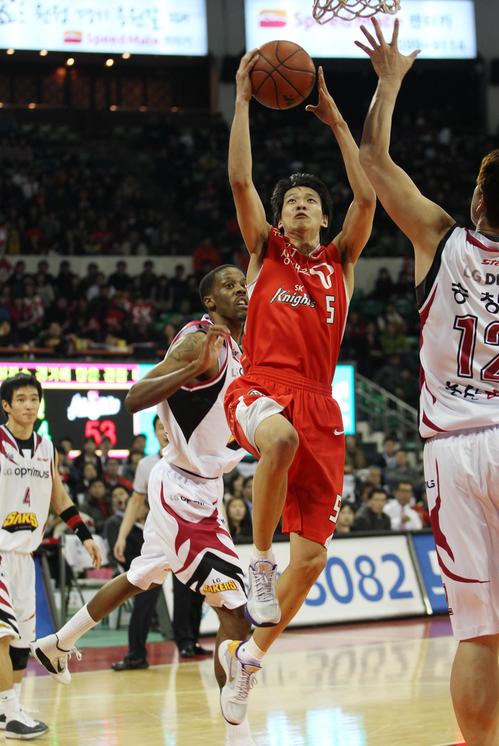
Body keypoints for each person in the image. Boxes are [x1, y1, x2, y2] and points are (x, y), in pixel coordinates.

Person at [31, 266, 260, 746]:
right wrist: (192, 371)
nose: (241, 290)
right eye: (229, 286)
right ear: (210, 302)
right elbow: (134, 397)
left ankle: (58, 643)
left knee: (140, 577)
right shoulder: (200, 341)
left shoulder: (242, 345)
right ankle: (238, 737)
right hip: (181, 491)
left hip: (204, 489)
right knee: (237, 613)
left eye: (244, 283)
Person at [220, 49, 376, 723]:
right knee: (276, 440)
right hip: (259, 388)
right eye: (293, 201)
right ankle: (257, 562)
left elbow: (367, 194)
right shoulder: (265, 250)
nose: (302, 206)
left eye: (311, 200)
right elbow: (239, 181)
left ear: (322, 215)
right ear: (280, 220)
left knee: (310, 562)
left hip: (320, 403)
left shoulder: (340, 258)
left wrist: (338, 123)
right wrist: (243, 101)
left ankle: (248, 662)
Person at [357, 18, 499, 746]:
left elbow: (373, 158)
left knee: (477, 632)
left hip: (454, 451)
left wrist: (387, 82)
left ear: (478, 202)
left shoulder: (438, 237)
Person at [0, 373, 101, 740]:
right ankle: (11, 713)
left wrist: (84, 534)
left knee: (21, 644)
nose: (28, 405)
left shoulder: (46, 447)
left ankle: (6, 707)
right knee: (1, 634)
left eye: (33, 399)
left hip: (25, 556)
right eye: (21, 399)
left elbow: (58, 496)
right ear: (6, 405)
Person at [111, 414, 211, 669]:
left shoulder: (193, 458)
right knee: (144, 592)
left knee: (191, 591)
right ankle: (136, 652)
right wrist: (121, 536)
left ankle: (189, 641)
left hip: (189, 535)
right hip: (159, 538)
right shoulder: (146, 464)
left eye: (169, 427)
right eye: (160, 427)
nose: (165, 432)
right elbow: (135, 502)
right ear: (154, 432)